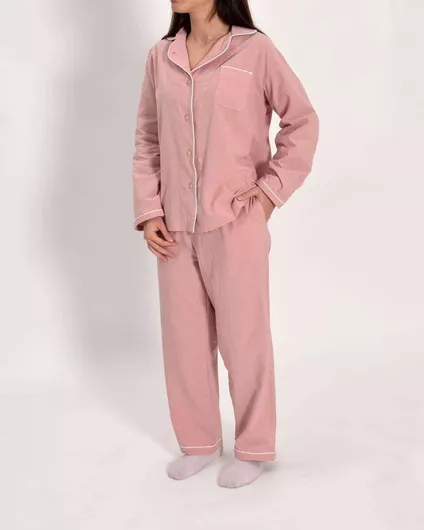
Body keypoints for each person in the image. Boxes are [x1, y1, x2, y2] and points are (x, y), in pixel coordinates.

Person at [131, 0, 319, 488]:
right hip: (175, 227)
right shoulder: (161, 56)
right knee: (184, 342)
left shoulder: (255, 50)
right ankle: (198, 442)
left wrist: (269, 196)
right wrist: (150, 210)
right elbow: (148, 139)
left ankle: (253, 446)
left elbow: (302, 122)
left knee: (244, 340)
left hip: (236, 222)